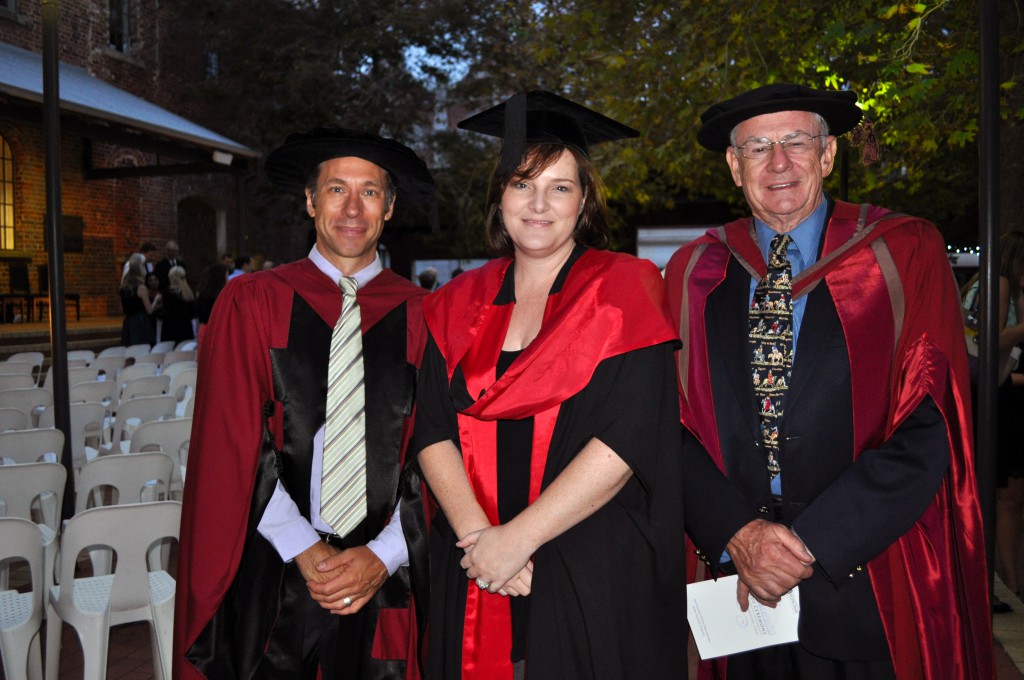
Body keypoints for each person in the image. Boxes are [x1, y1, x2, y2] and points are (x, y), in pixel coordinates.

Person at [664, 83, 992, 679]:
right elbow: (667, 422)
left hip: (869, 577)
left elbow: (933, 418)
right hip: (739, 589)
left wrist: (810, 543)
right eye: (758, 147)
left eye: (796, 142)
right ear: (734, 167)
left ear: (829, 153)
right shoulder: (694, 271)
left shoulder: (902, 252)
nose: (779, 162)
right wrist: (736, 532)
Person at [414, 91, 686, 679]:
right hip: (475, 560)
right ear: (500, 197)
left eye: (560, 187)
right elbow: (431, 430)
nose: (539, 204)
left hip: (589, 560)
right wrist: (483, 545)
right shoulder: (453, 304)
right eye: (521, 184)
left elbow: (628, 438)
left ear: (584, 199)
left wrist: (519, 540)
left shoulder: (624, 291)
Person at [173, 127, 435, 680]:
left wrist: (383, 555)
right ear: (311, 201)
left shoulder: (427, 316)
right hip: (274, 569)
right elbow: (231, 446)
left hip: (388, 577)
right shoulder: (253, 303)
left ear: (389, 209)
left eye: (370, 192)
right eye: (337, 189)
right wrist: (304, 549)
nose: (353, 208)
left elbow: (437, 453)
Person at [963, 231, 1024, 607]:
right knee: (993, 488)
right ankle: (997, 582)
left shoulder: (982, 281)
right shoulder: (999, 283)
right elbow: (990, 339)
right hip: (985, 391)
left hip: (977, 387)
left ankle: (1000, 580)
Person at [119, 253, 160, 346]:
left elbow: (121, 309)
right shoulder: (141, 287)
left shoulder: (122, 288)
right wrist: (156, 299)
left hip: (128, 323)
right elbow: (149, 310)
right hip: (141, 323)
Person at [193, 263, 228, 353]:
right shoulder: (221, 296)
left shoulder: (202, 293)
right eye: (226, 276)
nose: (228, 279)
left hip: (205, 330)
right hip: (217, 331)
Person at [161, 265, 196, 345]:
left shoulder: (167, 293)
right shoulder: (188, 292)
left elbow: (166, 311)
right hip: (186, 328)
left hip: (171, 329)